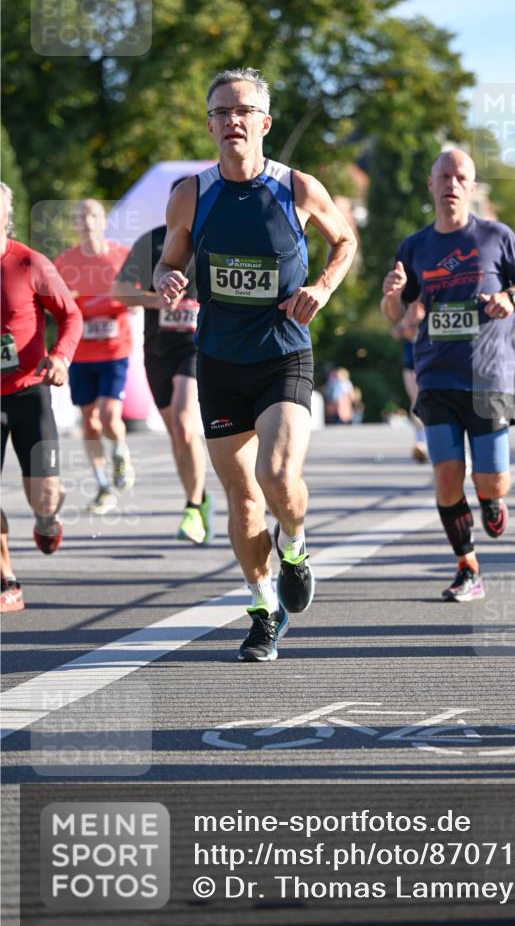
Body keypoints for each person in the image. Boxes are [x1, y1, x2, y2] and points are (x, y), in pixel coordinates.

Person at [153, 67, 357, 661]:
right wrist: (167, 277)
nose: (231, 121)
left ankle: (294, 545)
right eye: (220, 112)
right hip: (218, 359)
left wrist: (321, 286)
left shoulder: (297, 187)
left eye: (242, 111)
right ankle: (263, 608)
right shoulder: (190, 193)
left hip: (284, 352)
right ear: (211, 124)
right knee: (241, 497)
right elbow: (172, 259)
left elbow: (343, 241)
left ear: (264, 123)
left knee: (276, 473)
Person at [381, 149, 515, 602]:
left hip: (487, 377)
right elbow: (396, 312)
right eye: (444, 176)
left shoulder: (496, 236)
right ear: (431, 185)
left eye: (461, 177)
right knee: (447, 476)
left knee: (489, 480)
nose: (452, 184)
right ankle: (467, 566)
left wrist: (511, 297)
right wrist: (391, 296)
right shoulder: (414, 247)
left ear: (471, 188)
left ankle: (492, 500)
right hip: (435, 374)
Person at [112, 179, 213, 545]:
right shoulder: (152, 241)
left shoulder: (215, 239)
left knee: (186, 425)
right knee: (177, 432)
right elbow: (119, 291)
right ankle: (200, 498)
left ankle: (190, 508)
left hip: (199, 347)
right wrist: (157, 301)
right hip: (158, 349)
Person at [1, 182, 83, 612]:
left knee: (45, 494)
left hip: (30, 391)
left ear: (5, 215)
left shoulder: (29, 262)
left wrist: (60, 357)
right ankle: (6, 580)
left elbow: (70, 315)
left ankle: (46, 520)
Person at [54, 200, 134, 515]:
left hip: (115, 350)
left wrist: (132, 301)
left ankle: (120, 454)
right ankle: (102, 486)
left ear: (103, 221)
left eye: (92, 215)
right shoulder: (64, 262)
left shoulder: (121, 257)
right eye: (80, 217)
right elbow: (56, 306)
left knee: (109, 415)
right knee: (89, 422)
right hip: (81, 353)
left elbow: (136, 294)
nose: (86, 221)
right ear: (75, 225)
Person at [391, 300, 429, 462]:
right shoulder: (405, 313)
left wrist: (416, 326)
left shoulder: (428, 311)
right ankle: (420, 442)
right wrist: (404, 326)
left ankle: (431, 442)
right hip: (411, 366)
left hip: (429, 362)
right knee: (416, 402)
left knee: (431, 401)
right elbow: (395, 333)